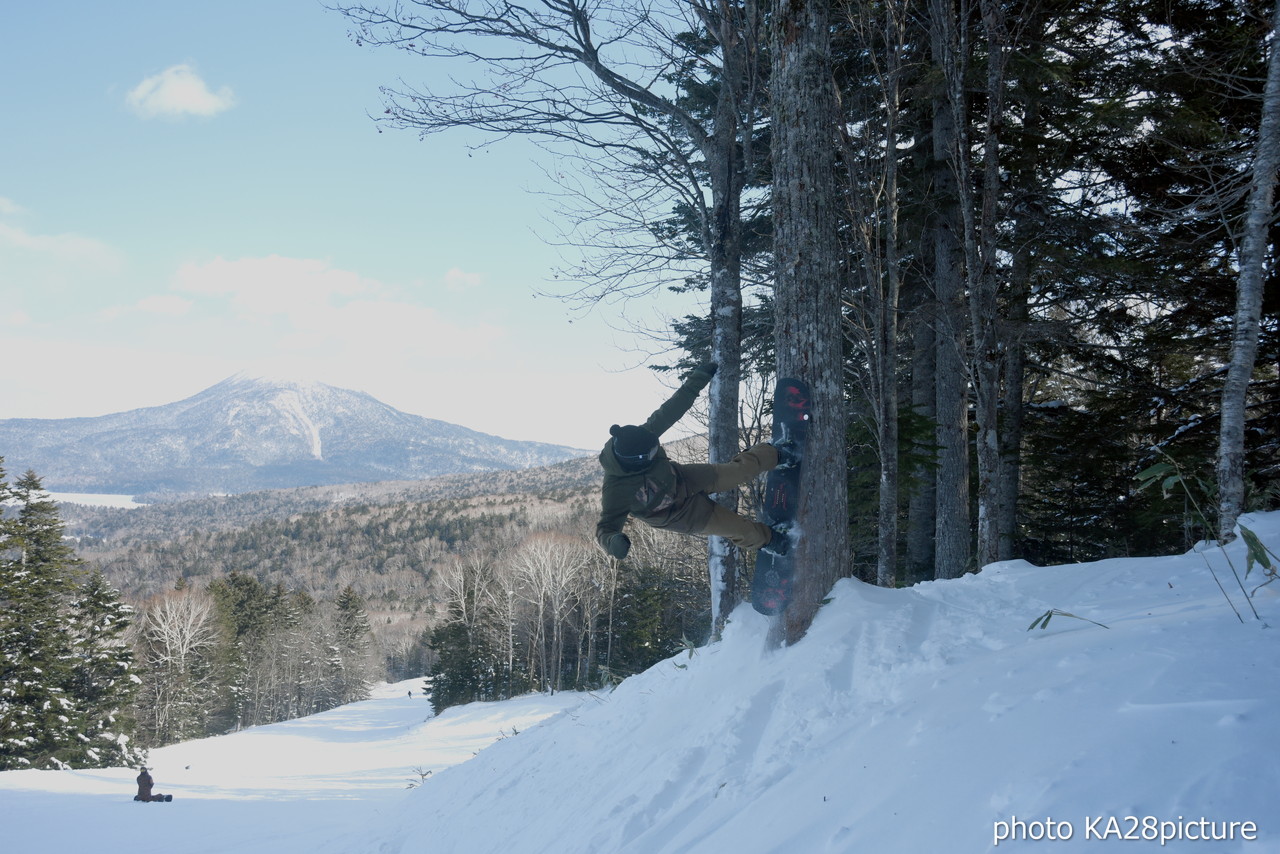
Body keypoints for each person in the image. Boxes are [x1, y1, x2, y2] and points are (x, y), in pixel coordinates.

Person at [595, 363, 793, 559]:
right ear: (635, 461)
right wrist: (613, 543)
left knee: (741, 470)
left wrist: (698, 378)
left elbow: (673, 409)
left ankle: (779, 454)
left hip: (685, 479)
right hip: (680, 514)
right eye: (652, 452)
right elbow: (606, 527)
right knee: (740, 529)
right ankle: (771, 541)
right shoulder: (616, 488)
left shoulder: (643, 437)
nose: (656, 451)